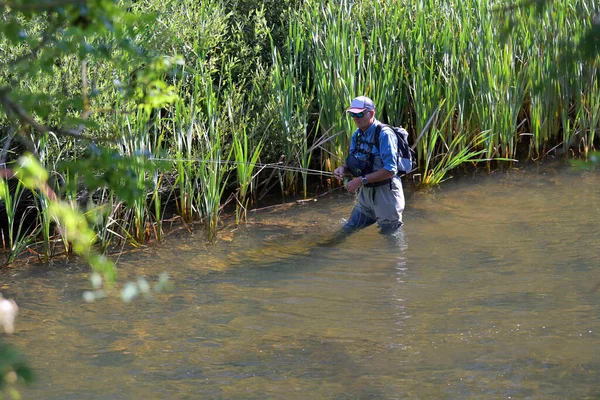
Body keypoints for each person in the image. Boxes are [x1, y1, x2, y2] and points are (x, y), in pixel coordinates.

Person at [333, 95, 405, 234]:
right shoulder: (357, 135)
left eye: (359, 113)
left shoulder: (385, 134)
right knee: (348, 229)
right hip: (365, 195)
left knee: (391, 237)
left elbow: (390, 170)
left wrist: (360, 180)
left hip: (386, 194)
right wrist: (343, 169)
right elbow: (358, 164)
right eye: (352, 114)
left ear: (371, 113)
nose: (355, 117)